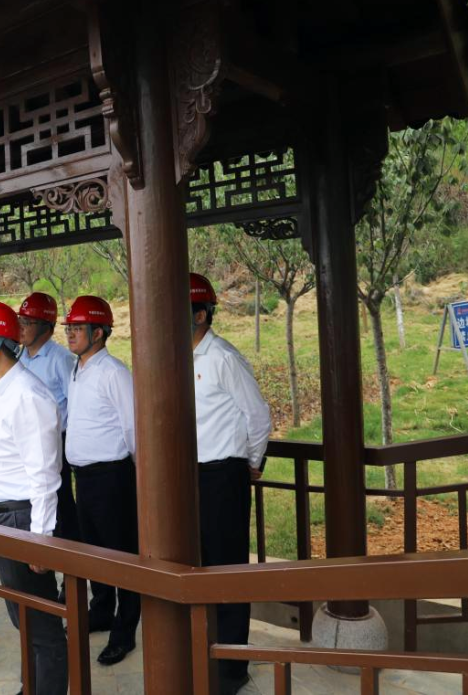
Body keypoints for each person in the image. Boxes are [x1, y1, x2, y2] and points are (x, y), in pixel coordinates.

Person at [0, 299, 68, 695]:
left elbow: (44, 474)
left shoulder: (26, 395)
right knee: (24, 618)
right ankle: (31, 686)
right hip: (3, 518)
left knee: (41, 625)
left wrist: (41, 539)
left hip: (20, 520)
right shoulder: (1, 390)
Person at [189, 273, 271, 694]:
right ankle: (205, 652)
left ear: (200, 315)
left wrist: (249, 464)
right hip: (190, 477)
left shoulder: (221, 357)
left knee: (228, 569)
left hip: (223, 476)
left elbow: (258, 415)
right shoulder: (178, 357)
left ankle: (232, 668)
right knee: (198, 567)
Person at [62, 295, 139, 666]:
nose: (70, 334)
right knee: (93, 550)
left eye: (77, 328)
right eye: (69, 328)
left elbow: (133, 426)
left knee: (121, 554)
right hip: (85, 477)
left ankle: (125, 632)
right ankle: (102, 610)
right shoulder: (77, 369)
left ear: (98, 333)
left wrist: (135, 470)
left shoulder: (113, 372)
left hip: (111, 477)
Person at [17, 293, 79, 549]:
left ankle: (69, 563)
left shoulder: (61, 359)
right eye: (20, 320)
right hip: (25, 443)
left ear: (47, 327)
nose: (21, 327)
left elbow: (75, 405)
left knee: (59, 504)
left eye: (27, 322)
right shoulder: (19, 357)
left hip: (55, 442)